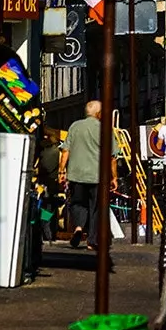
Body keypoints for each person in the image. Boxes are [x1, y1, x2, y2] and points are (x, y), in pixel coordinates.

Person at [60, 98, 117, 251]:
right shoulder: (105, 129)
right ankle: (92, 241)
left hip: (76, 174)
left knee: (78, 203)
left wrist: (61, 171)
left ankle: (78, 228)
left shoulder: (74, 127)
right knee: (96, 207)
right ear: (99, 113)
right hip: (97, 176)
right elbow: (112, 157)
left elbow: (66, 151)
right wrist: (114, 177)